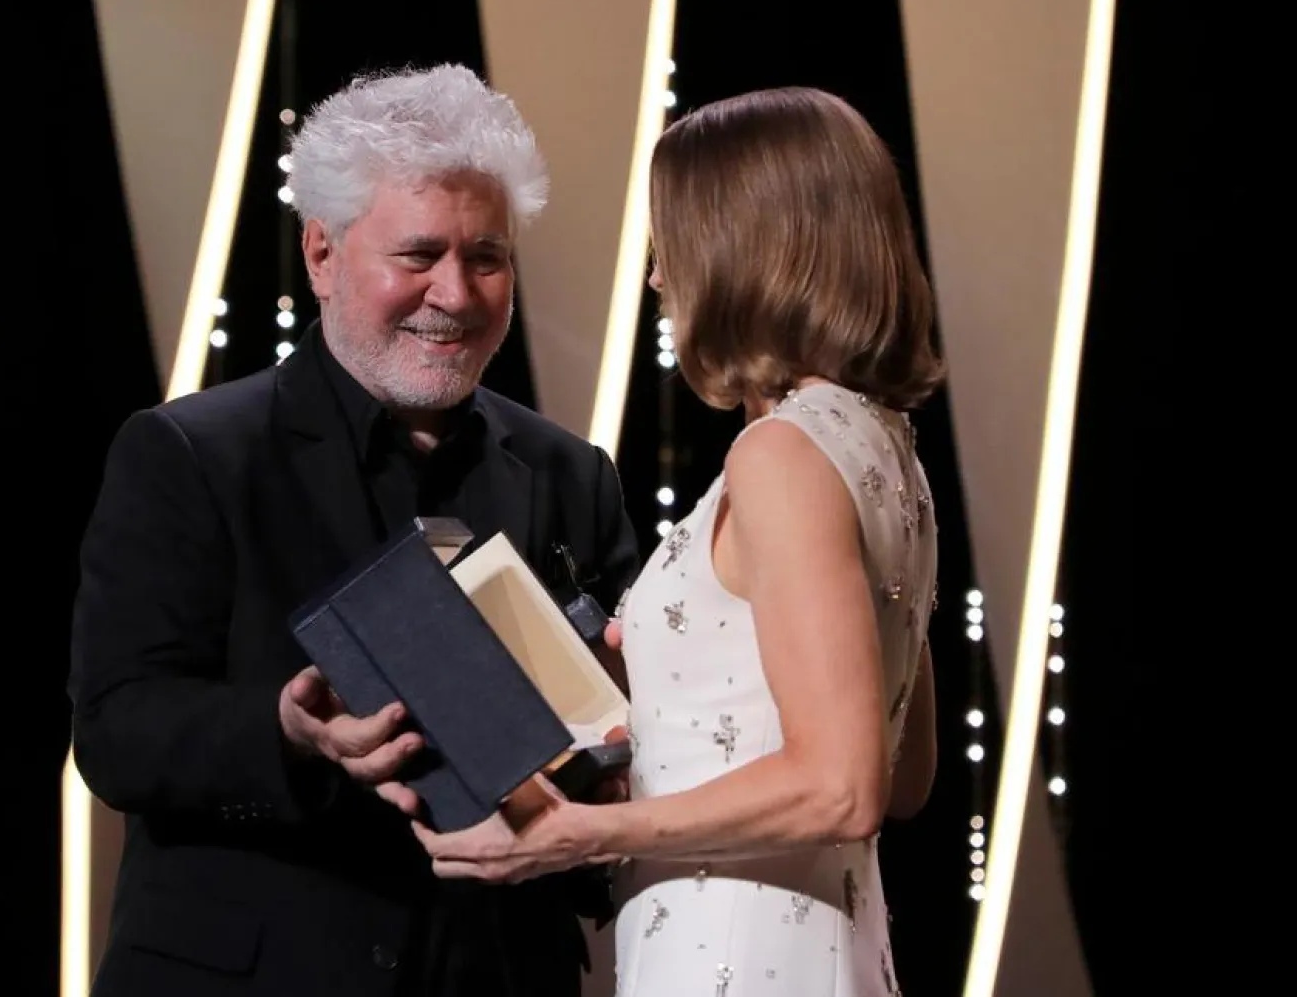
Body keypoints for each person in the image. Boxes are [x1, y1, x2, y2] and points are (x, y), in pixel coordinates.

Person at [67, 64, 640, 997]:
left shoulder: (572, 473)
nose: (454, 292)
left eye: (486, 256)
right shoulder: (190, 452)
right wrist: (284, 731)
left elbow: (618, 727)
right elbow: (117, 726)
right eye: (417, 256)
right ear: (322, 255)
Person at [380, 87, 944, 996]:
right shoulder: (888, 452)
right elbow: (901, 770)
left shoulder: (783, 456)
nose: (656, 276)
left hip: (736, 947)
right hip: (816, 937)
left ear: (748, 249)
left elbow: (846, 785)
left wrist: (583, 832)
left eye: (673, 239)